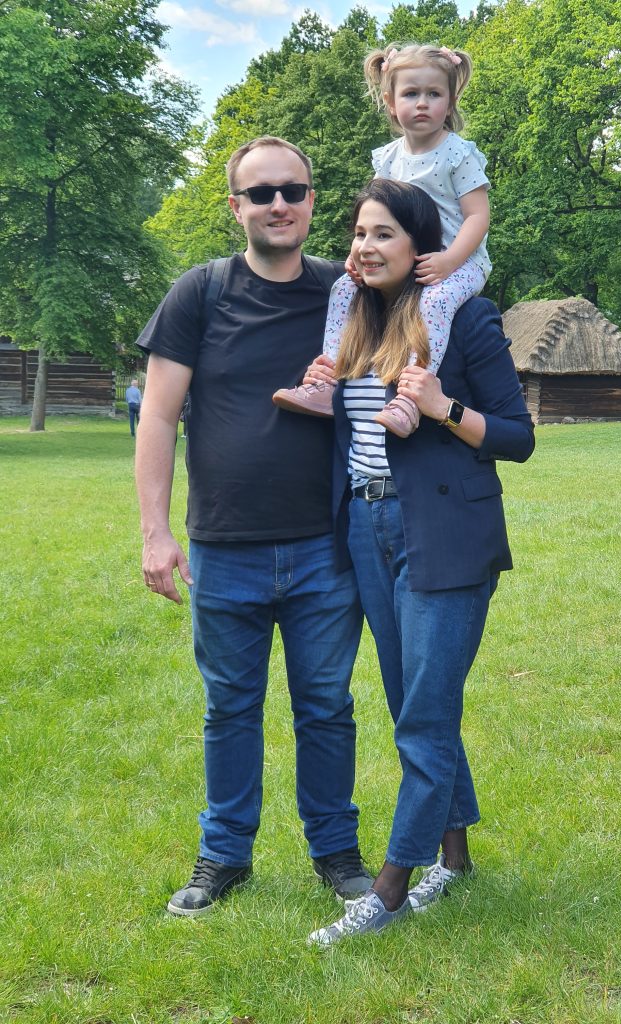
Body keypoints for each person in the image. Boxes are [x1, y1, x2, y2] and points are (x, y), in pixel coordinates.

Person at [134, 136, 372, 918]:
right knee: (230, 710)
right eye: (261, 192)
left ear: (312, 201)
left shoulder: (346, 294)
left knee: (326, 708)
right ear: (235, 206)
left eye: (293, 190)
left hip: (326, 547)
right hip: (224, 548)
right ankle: (224, 856)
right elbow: (158, 417)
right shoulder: (198, 293)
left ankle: (336, 853)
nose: (279, 204)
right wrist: (155, 533)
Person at [305, 179, 535, 945]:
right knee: (414, 703)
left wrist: (444, 409)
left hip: (444, 533)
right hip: (365, 529)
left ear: (420, 246)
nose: (366, 247)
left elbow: (518, 436)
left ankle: (389, 890)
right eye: (359, 233)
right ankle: (455, 860)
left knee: (425, 718)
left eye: (384, 234)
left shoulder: (465, 317)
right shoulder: (353, 320)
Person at [274, 43, 490, 439]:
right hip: (405, 261)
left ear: (450, 100)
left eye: (434, 93)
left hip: (459, 262)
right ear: (390, 102)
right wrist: (359, 254)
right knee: (343, 288)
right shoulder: (389, 158)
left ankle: (410, 397)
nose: (422, 103)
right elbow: (373, 214)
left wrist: (450, 261)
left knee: (435, 302)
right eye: (411, 93)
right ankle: (327, 381)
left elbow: (478, 216)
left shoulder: (458, 154)